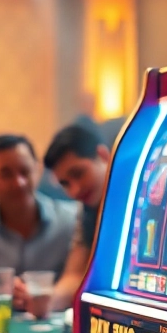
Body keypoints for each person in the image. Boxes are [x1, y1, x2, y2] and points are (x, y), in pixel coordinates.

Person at [0, 135, 79, 300]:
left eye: (24, 171)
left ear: (37, 170)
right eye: (6, 174)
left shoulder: (71, 220)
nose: (18, 182)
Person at [38, 123, 110, 314]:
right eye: (65, 183)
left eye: (78, 173)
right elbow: (75, 275)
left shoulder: (144, 197)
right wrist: (46, 301)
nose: (75, 190)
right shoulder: (86, 211)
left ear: (103, 156)